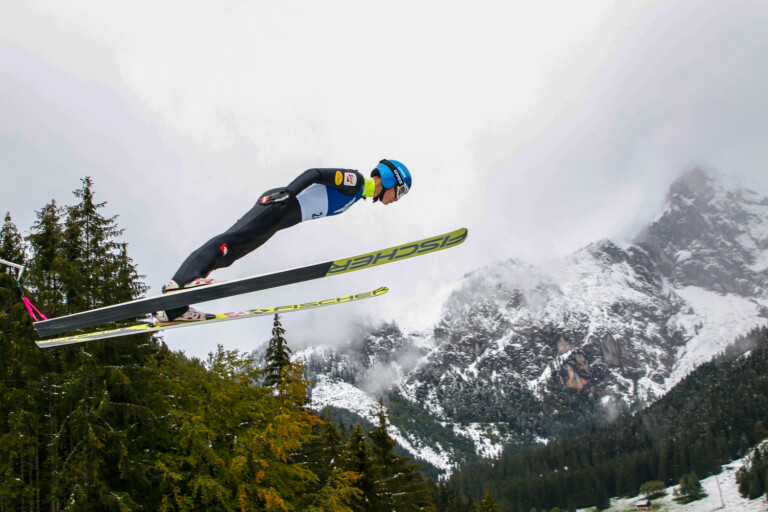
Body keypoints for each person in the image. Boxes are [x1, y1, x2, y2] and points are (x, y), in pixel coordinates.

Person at [155, 159, 412, 322]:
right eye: (399, 192)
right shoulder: (356, 182)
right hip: (280, 205)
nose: (397, 199)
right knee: (230, 241)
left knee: (231, 253)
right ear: (391, 180)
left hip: (282, 217)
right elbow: (315, 173)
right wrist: (288, 193)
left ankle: (174, 308)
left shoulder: (358, 195)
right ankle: (180, 285)